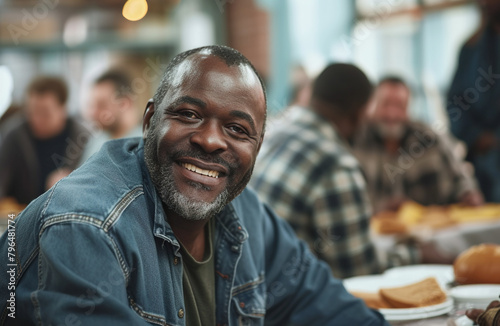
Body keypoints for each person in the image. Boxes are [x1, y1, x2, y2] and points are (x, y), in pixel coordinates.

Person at [0, 46, 388, 325]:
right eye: (189, 114)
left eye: (237, 129)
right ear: (150, 119)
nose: (212, 140)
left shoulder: (246, 212)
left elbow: (324, 304)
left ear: (256, 148)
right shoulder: (86, 226)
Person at [251, 63, 429, 279]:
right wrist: (415, 254)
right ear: (359, 113)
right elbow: (360, 271)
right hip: (287, 301)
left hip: (251, 282)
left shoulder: (274, 132)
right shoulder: (336, 165)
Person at [353, 76, 484, 213]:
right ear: (372, 105)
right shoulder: (357, 139)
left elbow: (461, 176)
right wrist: (381, 208)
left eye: (399, 106)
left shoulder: (429, 137)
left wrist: (468, 193)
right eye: (385, 104)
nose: (392, 114)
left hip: (435, 226)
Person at [0, 76, 90, 205]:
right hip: (21, 213)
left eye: (45, 113)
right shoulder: (14, 135)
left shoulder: (83, 138)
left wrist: (73, 183)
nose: (37, 119)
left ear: (63, 109)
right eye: (32, 112)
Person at [446, 0, 500, 202]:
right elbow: (455, 104)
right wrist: (477, 137)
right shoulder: (470, 49)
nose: (484, 1)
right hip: (482, 163)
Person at [78, 69, 142, 165]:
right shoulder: (97, 141)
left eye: (102, 105)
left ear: (125, 103)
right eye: (92, 105)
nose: (93, 113)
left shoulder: (144, 146)